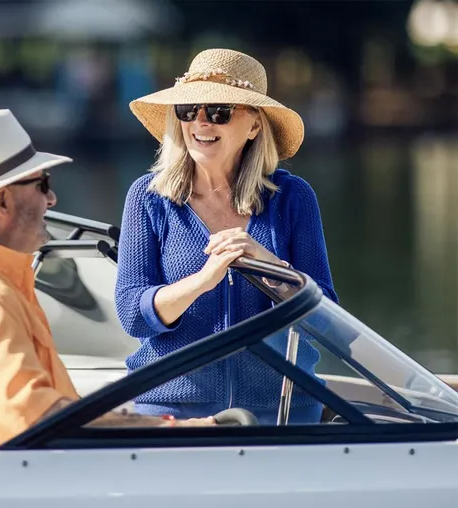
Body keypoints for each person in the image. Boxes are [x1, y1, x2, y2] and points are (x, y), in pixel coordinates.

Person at [0, 109, 216, 449]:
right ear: (1, 201)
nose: (52, 199)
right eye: (42, 184)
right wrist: (172, 429)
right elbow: (40, 421)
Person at [114, 48, 339, 425]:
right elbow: (133, 315)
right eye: (188, 111)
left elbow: (325, 321)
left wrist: (268, 265)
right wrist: (203, 280)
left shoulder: (293, 198)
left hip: (284, 410)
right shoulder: (148, 197)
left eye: (218, 112)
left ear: (254, 126)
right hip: (174, 413)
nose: (201, 122)